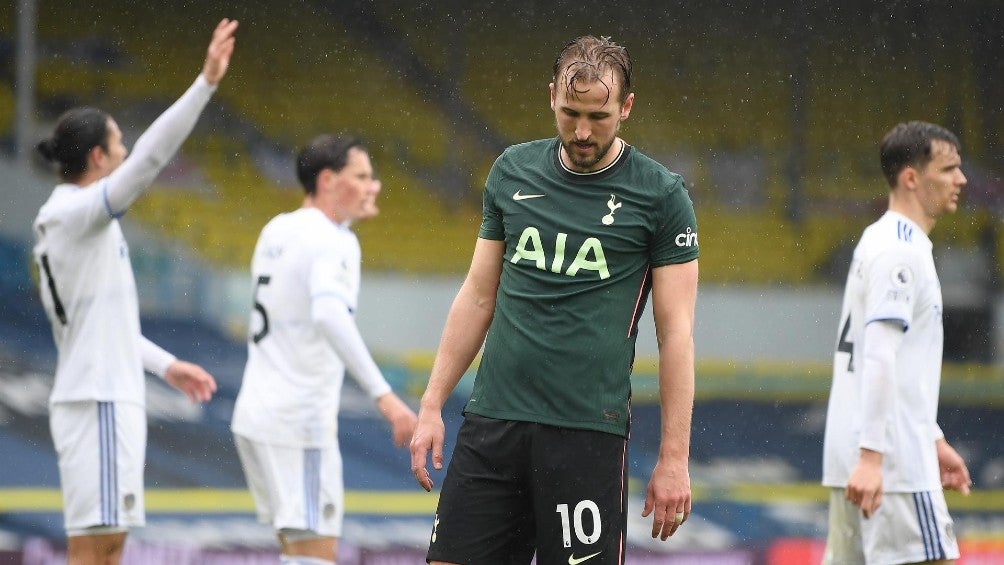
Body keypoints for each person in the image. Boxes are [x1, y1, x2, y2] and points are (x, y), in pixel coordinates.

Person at [409, 36, 700, 564]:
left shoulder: (661, 195)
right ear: (551, 98)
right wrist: (432, 404)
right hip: (493, 421)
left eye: (599, 116)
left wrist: (674, 457)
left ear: (626, 108)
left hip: (585, 431)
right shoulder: (512, 171)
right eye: (570, 113)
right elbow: (478, 296)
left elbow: (676, 333)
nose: (583, 131)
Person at [31, 19, 236, 565]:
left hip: (108, 396)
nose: (126, 152)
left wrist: (167, 366)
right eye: (117, 143)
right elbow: (150, 160)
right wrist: (205, 84)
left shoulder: (79, 222)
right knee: (95, 548)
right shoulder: (75, 214)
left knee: (110, 546)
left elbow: (106, 327)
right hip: (96, 400)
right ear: (97, 157)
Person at [231, 134, 418, 565]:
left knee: (295, 554)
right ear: (329, 180)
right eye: (363, 176)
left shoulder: (277, 228)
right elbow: (330, 315)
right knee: (315, 556)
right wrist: (386, 398)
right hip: (299, 421)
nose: (375, 186)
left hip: (257, 416)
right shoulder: (334, 240)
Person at [822, 121, 973, 564]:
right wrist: (873, 458)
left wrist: (934, 439)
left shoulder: (879, 237)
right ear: (911, 177)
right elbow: (881, 355)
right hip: (892, 465)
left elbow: (899, 366)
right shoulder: (902, 250)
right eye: (948, 169)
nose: (961, 180)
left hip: (859, 453)